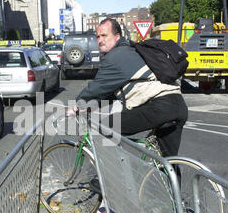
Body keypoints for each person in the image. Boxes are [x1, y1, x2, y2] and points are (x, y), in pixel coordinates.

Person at [75, 18, 188, 157]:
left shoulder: (114, 57)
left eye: (104, 35)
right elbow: (111, 92)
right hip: (178, 105)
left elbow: (95, 89)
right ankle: (171, 178)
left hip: (159, 106)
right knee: (169, 163)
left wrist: (78, 104)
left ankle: (117, 176)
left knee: (104, 126)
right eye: (97, 36)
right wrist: (93, 105)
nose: (100, 40)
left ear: (117, 37)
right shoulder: (133, 51)